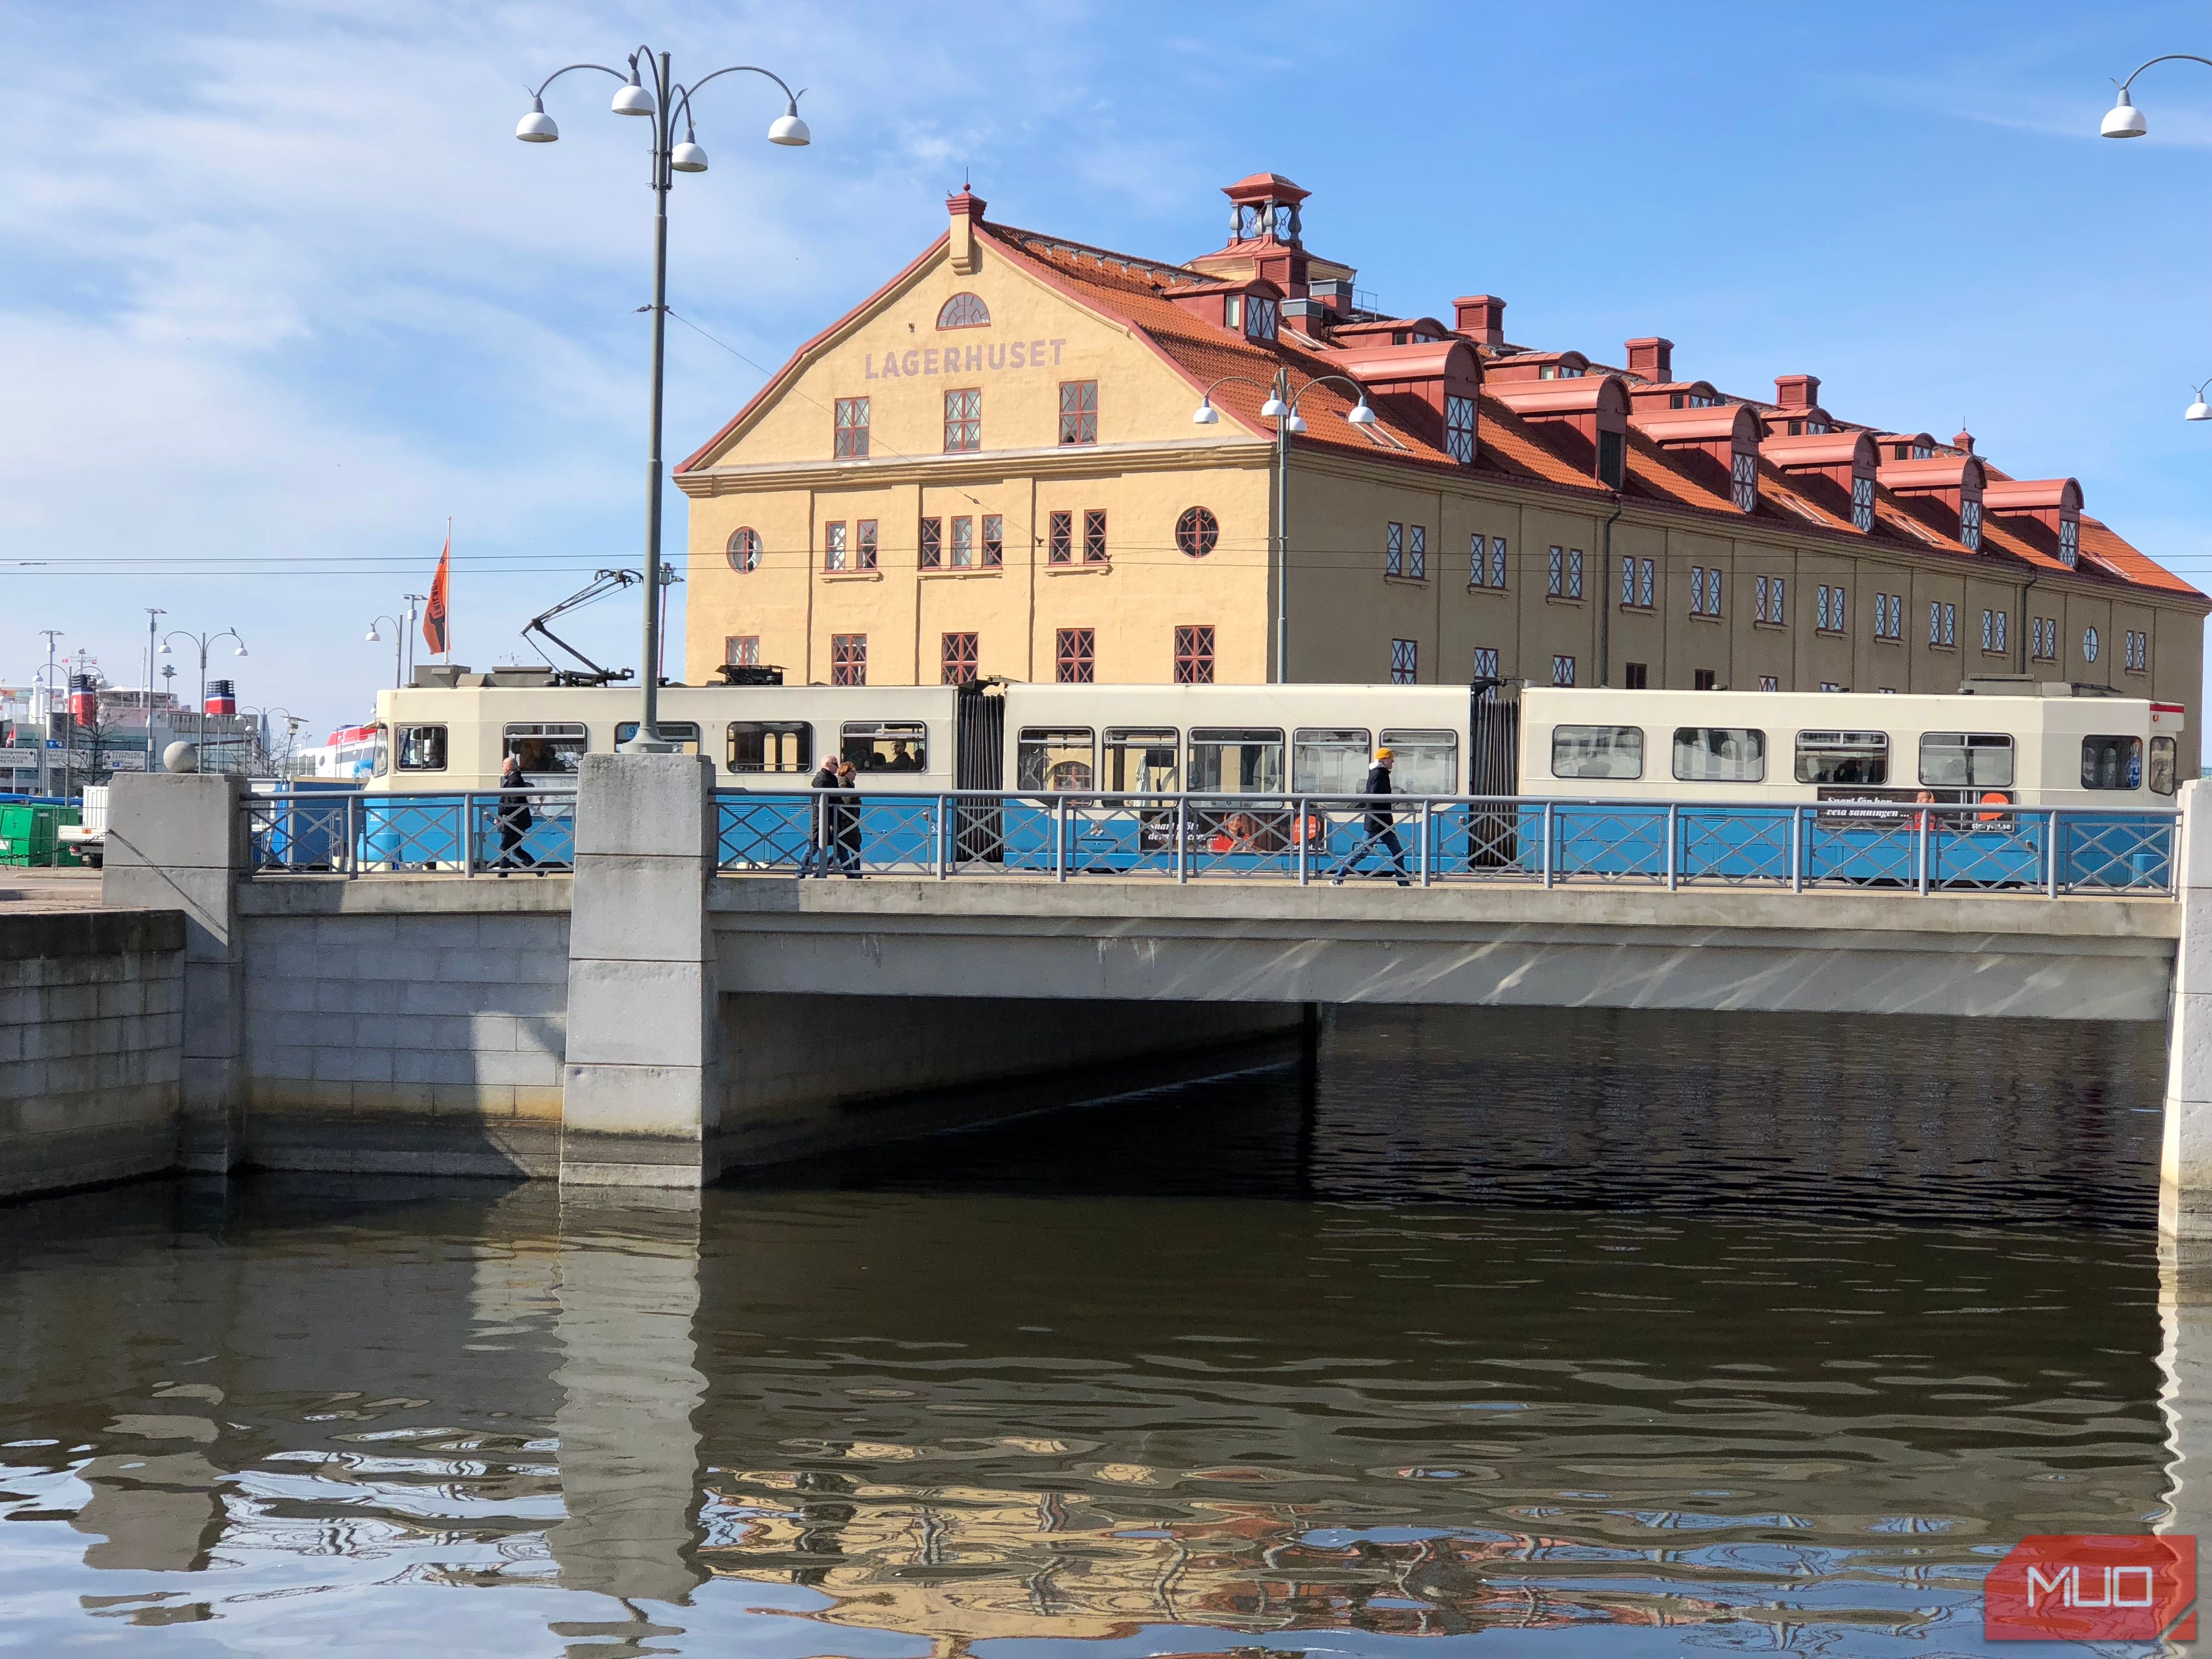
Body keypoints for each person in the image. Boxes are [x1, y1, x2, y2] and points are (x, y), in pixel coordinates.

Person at [1331, 747, 1410, 886]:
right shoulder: (1379, 774)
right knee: (1363, 852)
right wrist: (1389, 801)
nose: (1393, 761)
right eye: (1390, 758)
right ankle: (1339, 876)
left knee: (1397, 852)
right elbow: (1374, 797)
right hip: (1377, 823)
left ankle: (1403, 882)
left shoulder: (1380, 773)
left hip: (1383, 822)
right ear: (1383, 759)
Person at [794, 754, 842, 878]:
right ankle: (801, 871)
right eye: (835, 764)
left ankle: (813, 871)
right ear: (828, 765)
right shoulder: (823, 780)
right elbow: (824, 802)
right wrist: (830, 821)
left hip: (826, 818)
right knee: (814, 846)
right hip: (822, 819)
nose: (838, 767)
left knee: (832, 846)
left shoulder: (829, 778)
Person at [493, 750, 536, 876]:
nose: (502, 769)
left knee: (505, 848)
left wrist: (500, 816)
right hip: (515, 820)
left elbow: (512, 802)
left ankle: (503, 873)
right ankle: (538, 870)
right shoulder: (515, 779)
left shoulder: (514, 781)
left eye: (503, 766)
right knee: (515, 849)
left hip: (513, 821)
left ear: (508, 767)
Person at [831, 757, 865, 878]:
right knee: (847, 849)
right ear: (845, 772)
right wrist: (857, 800)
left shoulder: (850, 785)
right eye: (853, 772)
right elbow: (847, 802)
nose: (855, 775)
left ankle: (856, 873)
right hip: (845, 823)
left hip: (851, 822)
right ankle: (854, 873)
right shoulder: (842, 785)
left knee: (849, 849)